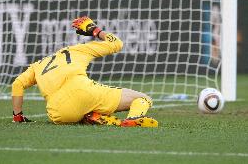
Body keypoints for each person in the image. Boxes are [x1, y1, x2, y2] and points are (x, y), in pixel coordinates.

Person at [11, 16, 158, 128]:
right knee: (143, 99)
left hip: (58, 113)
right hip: (85, 92)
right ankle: (132, 119)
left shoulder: (37, 66)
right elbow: (117, 43)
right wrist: (96, 31)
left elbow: (17, 84)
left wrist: (18, 116)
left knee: (78, 111)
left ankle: (90, 116)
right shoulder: (76, 49)